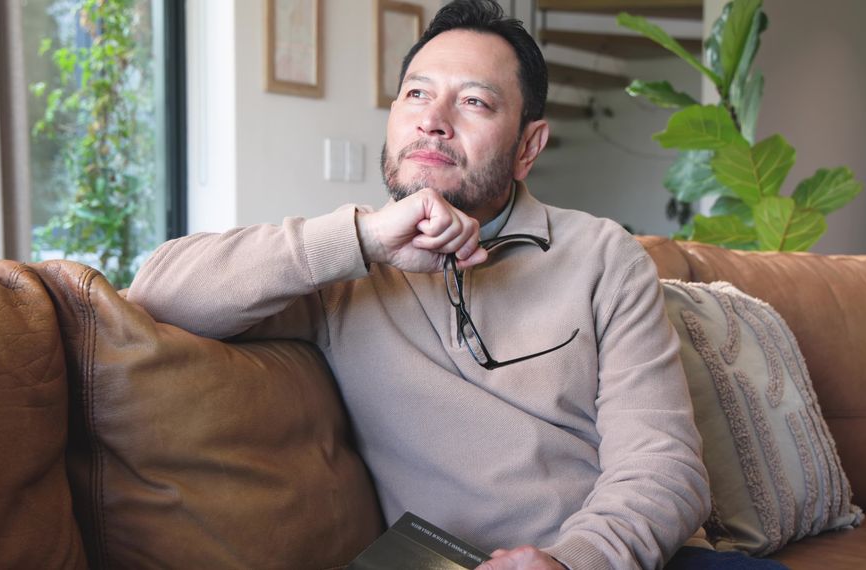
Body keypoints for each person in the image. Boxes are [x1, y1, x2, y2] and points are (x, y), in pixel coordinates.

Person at [129, 1, 717, 568]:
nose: (433, 120)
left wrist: (573, 562)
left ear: (528, 146)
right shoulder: (341, 274)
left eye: (474, 102)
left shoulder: (602, 255)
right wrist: (361, 239)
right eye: (416, 93)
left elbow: (664, 465)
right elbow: (155, 296)